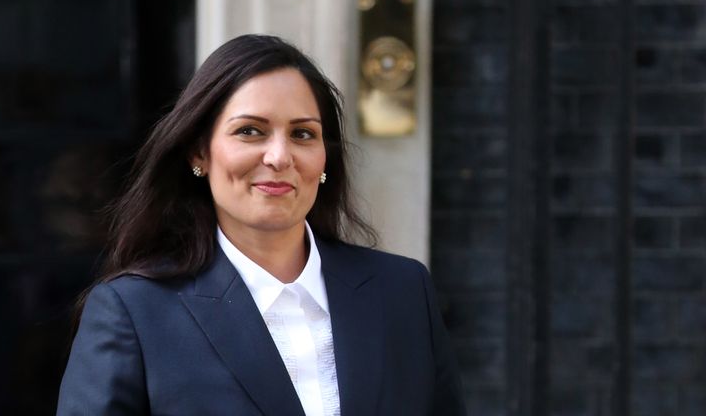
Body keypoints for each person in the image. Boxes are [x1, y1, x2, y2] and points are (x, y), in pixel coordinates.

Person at [56, 34, 465, 416]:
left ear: (325, 161)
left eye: (303, 134)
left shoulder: (403, 292)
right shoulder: (135, 311)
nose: (279, 156)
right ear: (199, 152)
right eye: (250, 131)